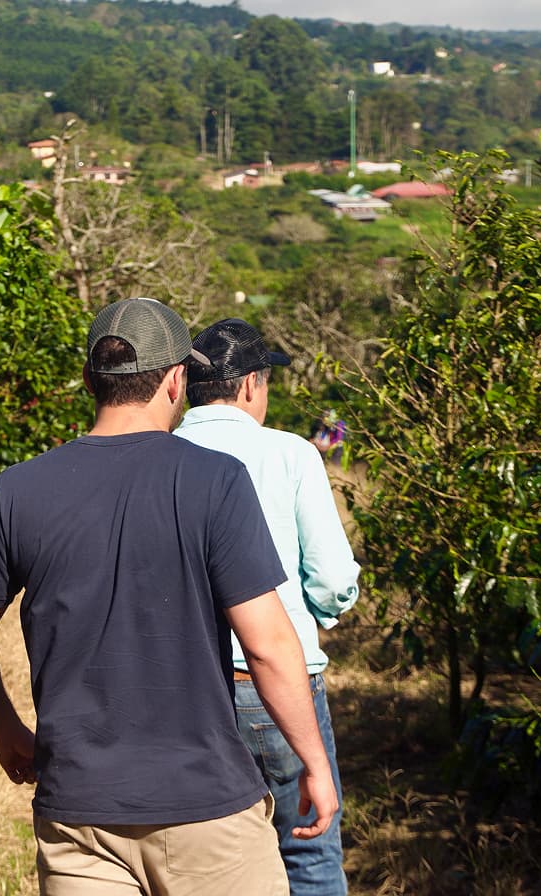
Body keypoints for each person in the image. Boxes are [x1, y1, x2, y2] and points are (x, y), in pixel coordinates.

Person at [0, 297, 339, 896]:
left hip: (77, 815)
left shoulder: (20, 488)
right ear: (177, 381)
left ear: (87, 380)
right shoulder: (215, 480)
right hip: (208, 811)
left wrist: (8, 732)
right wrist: (314, 762)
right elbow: (269, 646)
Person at [175, 318, 361, 896]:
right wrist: (312, 615)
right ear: (253, 385)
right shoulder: (291, 455)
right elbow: (331, 579)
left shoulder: (158, 455)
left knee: (208, 864)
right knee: (308, 851)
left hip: (184, 688)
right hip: (278, 684)